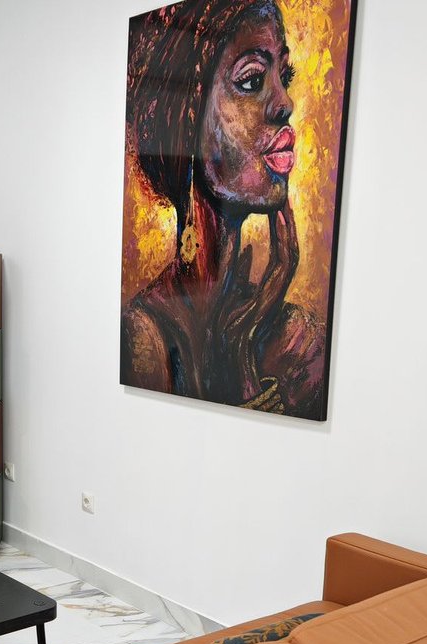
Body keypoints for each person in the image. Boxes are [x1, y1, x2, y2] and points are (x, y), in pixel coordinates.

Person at [121, 0, 327, 418]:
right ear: (187, 123)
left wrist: (245, 339)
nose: (285, 102)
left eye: (284, 76)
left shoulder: (297, 338)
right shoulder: (146, 334)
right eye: (252, 80)